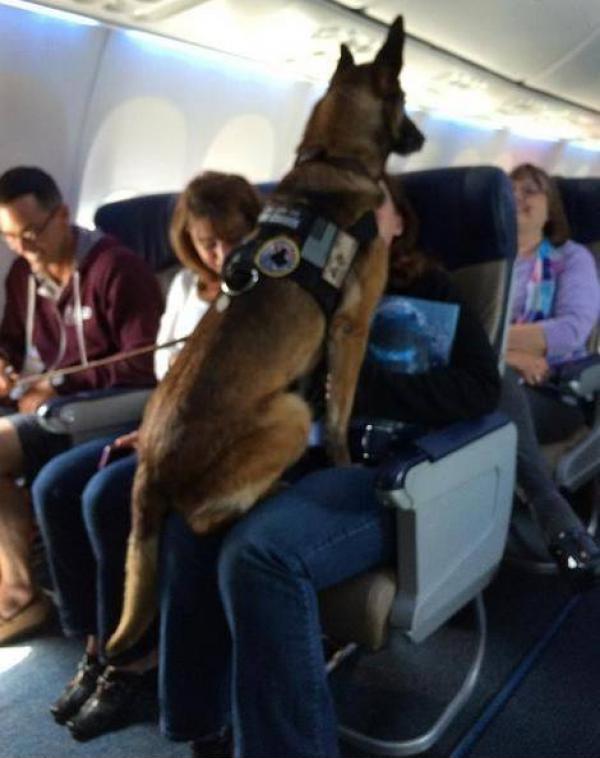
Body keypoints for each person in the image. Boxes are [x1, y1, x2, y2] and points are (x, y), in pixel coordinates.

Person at [155, 176, 501, 758]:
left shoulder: (431, 289)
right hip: (303, 462)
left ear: (396, 223)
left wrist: (361, 385)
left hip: (398, 475)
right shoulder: (309, 296)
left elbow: (478, 391)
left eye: (372, 214)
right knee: (191, 522)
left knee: (259, 556)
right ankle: (205, 725)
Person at [31, 171, 262, 741]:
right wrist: (156, 423)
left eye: (233, 238)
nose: (222, 252)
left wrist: (168, 430)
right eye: (208, 242)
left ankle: (131, 662)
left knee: (107, 496)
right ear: (189, 240)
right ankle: (95, 644)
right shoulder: (186, 286)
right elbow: (163, 372)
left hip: (215, 436)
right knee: (53, 487)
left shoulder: (268, 290)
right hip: (164, 421)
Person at [0, 166, 163, 645]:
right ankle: (20, 594)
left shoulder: (118, 270)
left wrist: (61, 383)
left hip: (93, 410)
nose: (22, 247)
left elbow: (142, 366)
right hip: (37, 404)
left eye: (30, 232)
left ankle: (20, 594)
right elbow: (10, 339)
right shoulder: (21, 276)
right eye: (9, 237)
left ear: (63, 215)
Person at [500, 162, 600, 585]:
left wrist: (495, 344)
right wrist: (507, 355)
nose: (520, 198)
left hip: (555, 389)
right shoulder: (490, 259)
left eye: (532, 191)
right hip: (503, 378)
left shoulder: (571, 258)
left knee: (493, 385)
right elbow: (461, 331)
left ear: (551, 208)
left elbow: (571, 330)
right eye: (512, 190)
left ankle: (547, 506)